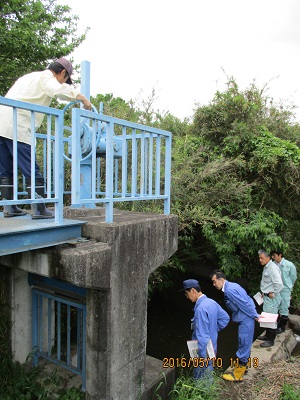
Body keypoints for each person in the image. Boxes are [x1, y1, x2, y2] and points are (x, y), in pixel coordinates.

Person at [0, 57, 92, 219]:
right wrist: (82, 97)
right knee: (30, 169)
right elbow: (57, 91)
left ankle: (9, 207)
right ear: (62, 72)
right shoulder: (46, 78)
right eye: (65, 80)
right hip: (18, 125)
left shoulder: (29, 77)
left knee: (7, 169)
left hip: (2, 123)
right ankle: (39, 209)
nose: (63, 83)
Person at [210, 270, 260, 382]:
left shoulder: (230, 290)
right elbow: (248, 299)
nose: (213, 285)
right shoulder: (233, 286)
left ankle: (237, 375)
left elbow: (244, 303)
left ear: (221, 280)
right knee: (245, 344)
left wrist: (254, 315)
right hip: (245, 318)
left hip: (246, 319)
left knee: (243, 344)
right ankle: (244, 367)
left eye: (214, 282)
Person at [181, 279, 229, 380]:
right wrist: (213, 329)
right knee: (209, 373)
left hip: (203, 352)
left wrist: (201, 358)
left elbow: (202, 337)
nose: (187, 297)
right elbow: (225, 318)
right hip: (212, 346)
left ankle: (203, 394)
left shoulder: (200, 309)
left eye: (187, 294)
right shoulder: (211, 302)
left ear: (193, 291)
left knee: (201, 379)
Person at [257, 249, 283, 347]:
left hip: (272, 298)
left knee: (271, 319)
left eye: (262, 258)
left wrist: (273, 292)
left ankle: (271, 340)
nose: (260, 260)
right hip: (267, 297)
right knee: (267, 317)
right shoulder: (267, 267)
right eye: (259, 258)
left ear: (268, 257)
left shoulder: (273, 268)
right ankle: (267, 336)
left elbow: (279, 284)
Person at [271, 250, 297, 334]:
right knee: (275, 306)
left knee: (284, 307)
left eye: (274, 255)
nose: (273, 257)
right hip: (276, 289)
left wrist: (289, 286)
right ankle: (276, 324)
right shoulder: (273, 264)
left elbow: (293, 277)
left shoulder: (289, 265)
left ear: (280, 255)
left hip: (285, 289)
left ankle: (282, 327)